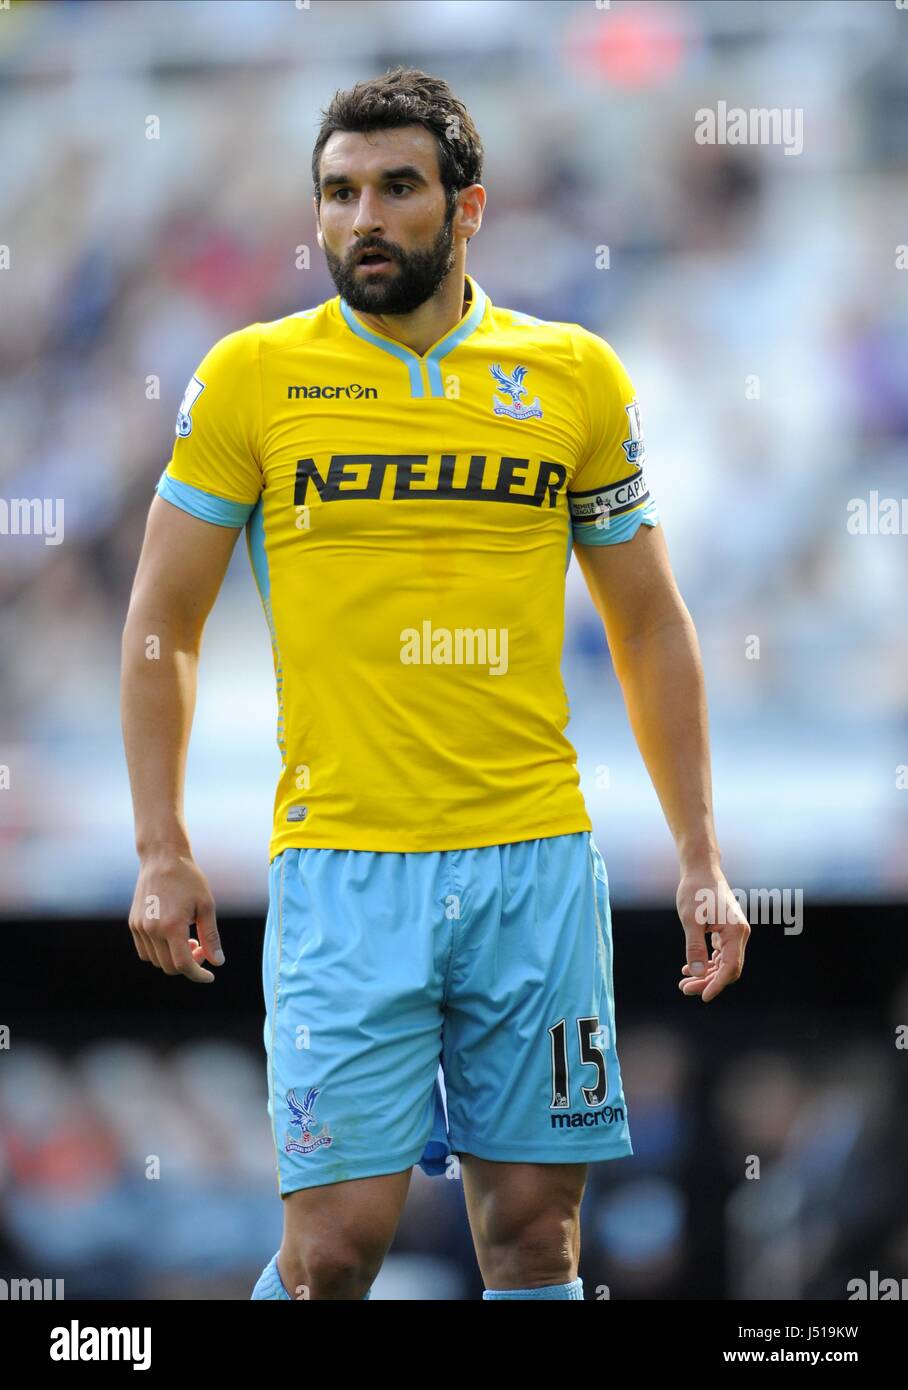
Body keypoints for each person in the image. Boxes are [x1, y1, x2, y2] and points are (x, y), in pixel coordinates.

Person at [120, 65, 749, 1302]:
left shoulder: (571, 375)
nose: (362, 218)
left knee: (532, 1244)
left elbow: (649, 624)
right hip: (344, 869)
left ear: (466, 209)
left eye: (396, 188)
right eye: (338, 192)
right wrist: (160, 843)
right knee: (329, 1254)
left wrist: (697, 851)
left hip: (532, 865)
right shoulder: (252, 377)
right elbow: (161, 619)